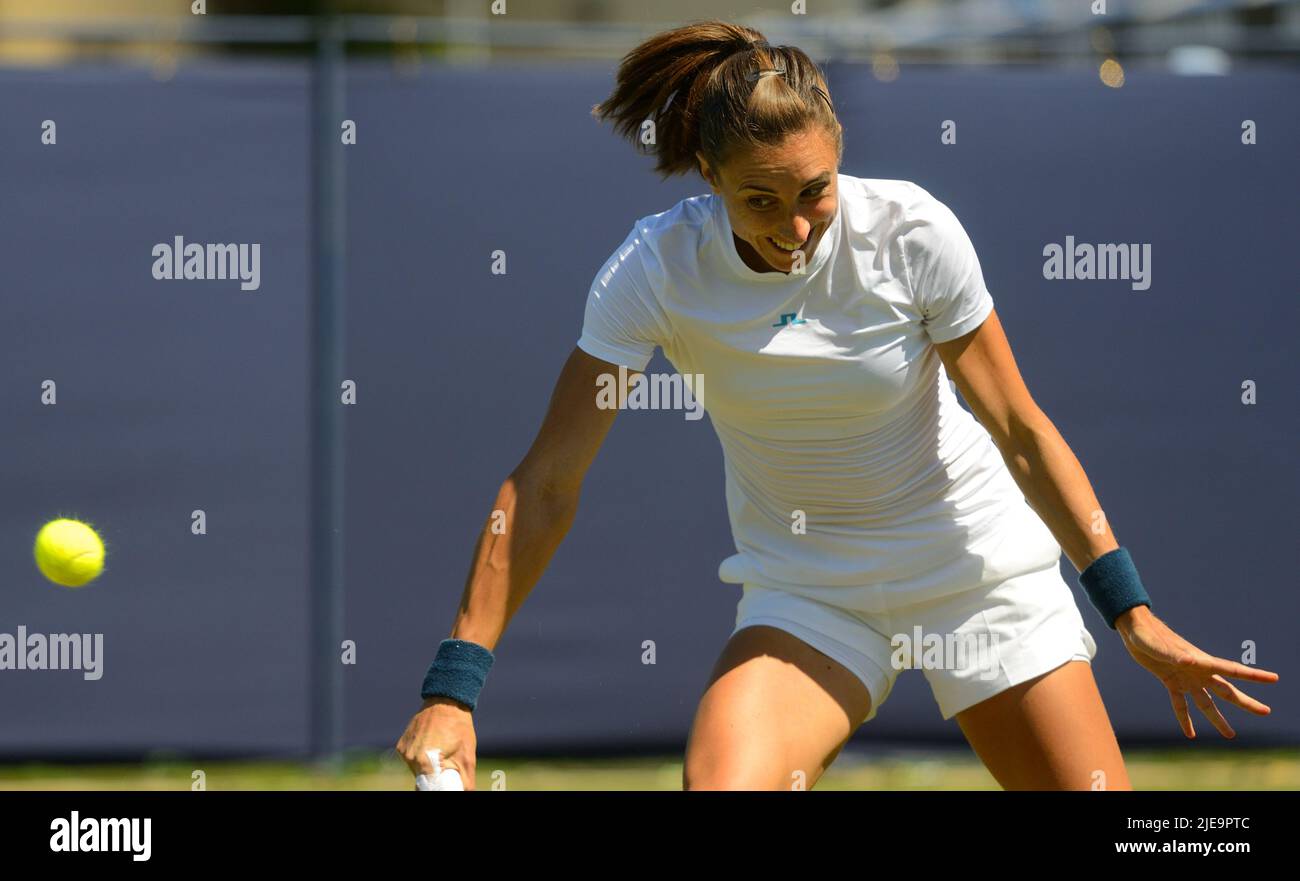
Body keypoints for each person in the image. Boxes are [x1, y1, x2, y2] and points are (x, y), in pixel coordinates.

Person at [396, 20, 1278, 791]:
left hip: (974, 575)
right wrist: (452, 687)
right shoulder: (653, 272)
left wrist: (1130, 608)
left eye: (814, 189)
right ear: (707, 174)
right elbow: (547, 480)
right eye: (760, 200)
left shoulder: (914, 233)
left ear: (840, 146)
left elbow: (1018, 428)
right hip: (809, 593)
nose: (797, 227)